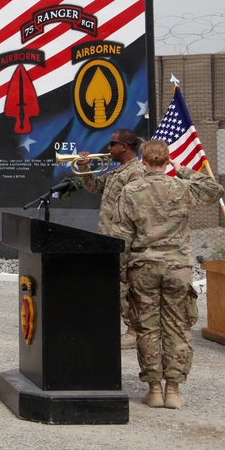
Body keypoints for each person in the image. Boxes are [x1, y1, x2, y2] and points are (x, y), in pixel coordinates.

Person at [111, 139, 223, 409]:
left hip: (143, 267)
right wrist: (182, 169)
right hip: (178, 268)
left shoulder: (130, 190)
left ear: (144, 160)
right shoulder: (182, 187)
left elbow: (121, 237)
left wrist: (121, 272)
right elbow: (214, 190)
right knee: (177, 327)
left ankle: (153, 389)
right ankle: (173, 390)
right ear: (166, 159)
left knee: (148, 329)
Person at [76, 128, 144, 350]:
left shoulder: (136, 173)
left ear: (124, 146)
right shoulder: (118, 171)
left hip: (124, 238)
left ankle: (134, 330)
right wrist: (84, 168)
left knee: (124, 284)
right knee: (113, 283)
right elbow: (95, 187)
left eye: (112, 144)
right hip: (109, 235)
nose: (108, 148)